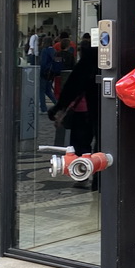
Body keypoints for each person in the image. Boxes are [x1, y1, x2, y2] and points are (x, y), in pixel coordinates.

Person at [48, 41, 101, 186]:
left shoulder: (89, 59)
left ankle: (86, 175)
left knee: (82, 144)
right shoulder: (95, 59)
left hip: (87, 112)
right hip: (92, 111)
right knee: (96, 144)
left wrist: (59, 107)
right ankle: (95, 178)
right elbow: (73, 84)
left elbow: (73, 85)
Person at [38, 36, 60, 113]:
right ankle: (57, 105)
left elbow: (43, 63)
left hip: (44, 72)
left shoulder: (45, 50)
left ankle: (43, 108)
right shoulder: (54, 50)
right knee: (48, 91)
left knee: (41, 90)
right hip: (51, 73)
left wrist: (40, 71)